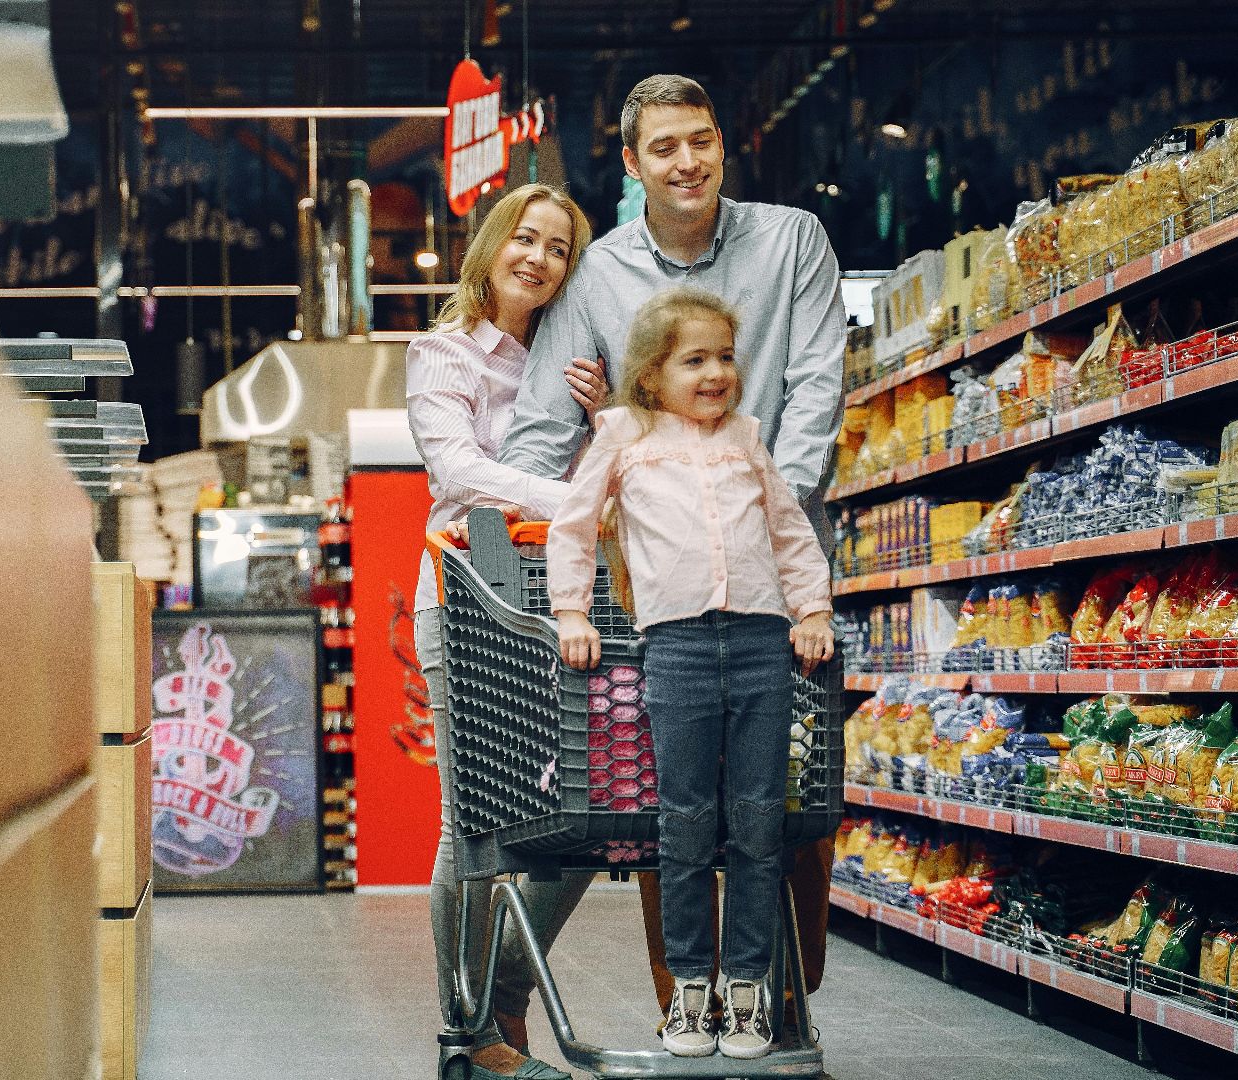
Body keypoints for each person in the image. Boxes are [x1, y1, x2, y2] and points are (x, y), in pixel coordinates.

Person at [490, 73, 847, 1052]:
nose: (686, 161)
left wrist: (763, 499)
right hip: (660, 596)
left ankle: (779, 992)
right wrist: (529, 501)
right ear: (631, 162)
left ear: (723, 143)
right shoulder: (598, 276)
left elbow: (818, 385)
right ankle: (687, 995)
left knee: (792, 802)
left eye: (702, 140)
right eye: (664, 147)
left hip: (781, 580)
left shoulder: (791, 244)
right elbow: (537, 433)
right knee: (671, 804)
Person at [546, 287, 834, 1058]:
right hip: (671, 648)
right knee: (682, 823)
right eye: (694, 359)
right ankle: (688, 992)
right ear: (650, 376)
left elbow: (787, 529)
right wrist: (571, 611)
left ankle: (747, 990)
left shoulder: (746, 437)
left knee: (755, 822)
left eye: (726, 358)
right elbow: (573, 525)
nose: (716, 373)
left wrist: (812, 609)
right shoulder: (622, 434)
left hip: (762, 643)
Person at [406, 181, 606, 1080]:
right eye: (524, 238)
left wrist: (603, 416)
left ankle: (510, 993)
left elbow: (621, 458)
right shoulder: (443, 352)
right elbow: (458, 471)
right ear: (492, 245)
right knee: (475, 821)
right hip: (467, 598)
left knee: (588, 815)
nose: (538, 257)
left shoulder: (575, 364)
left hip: (563, 604)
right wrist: (577, 501)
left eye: (558, 248)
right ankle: (463, 1021)